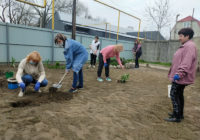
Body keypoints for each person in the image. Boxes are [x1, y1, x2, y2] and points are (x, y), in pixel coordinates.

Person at [164, 28, 197, 123]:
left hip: (180, 77)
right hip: (181, 76)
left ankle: (176, 116)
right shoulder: (186, 45)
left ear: (187, 36)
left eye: (181, 36)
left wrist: (179, 74)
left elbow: (186, 62)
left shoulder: (189, 46)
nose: (179, 38)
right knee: (178, 94)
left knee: (173, 94)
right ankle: (179, 114)